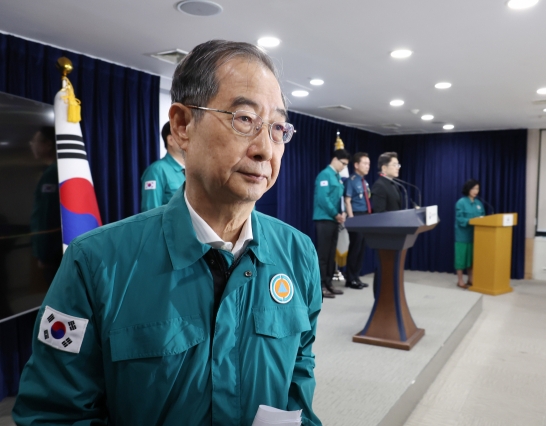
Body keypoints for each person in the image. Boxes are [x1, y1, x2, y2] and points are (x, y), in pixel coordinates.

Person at [13, 40, 322, 426]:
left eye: (277, 128)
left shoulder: (299, 254)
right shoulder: (95, 262)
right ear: (182, 126)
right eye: (244, 119)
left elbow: (298, 377)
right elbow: (53, 415)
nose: (265, 149)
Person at [313, 149, 350, 299]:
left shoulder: (337, 177)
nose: (344, 167)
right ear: (335, 159)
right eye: (343, 164)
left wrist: (342, 213)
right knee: (323, 254)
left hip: (335, 219)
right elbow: (323, 198)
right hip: (324, 219)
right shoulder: (325, 174)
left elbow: (339, 198)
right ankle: (320, 286)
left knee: (330, 255)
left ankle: (328, 283)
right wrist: (336, 214)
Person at [29, 126, 62, 285]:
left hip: (53, 254)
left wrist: (44, 254)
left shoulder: (52, 173)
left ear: (48, 144)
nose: (32, 145)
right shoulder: (56, 170)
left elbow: (47, 216)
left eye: (34, 141)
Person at [140, 121, 186, 212]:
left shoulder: (193, 171)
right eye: (184, 135)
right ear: (171, 140)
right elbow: (151, 213)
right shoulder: (156, 171)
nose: (189, 139)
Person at [344, 152, 371, 289]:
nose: (368, 166)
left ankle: (356, 276)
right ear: (356, 165)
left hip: (366, 216)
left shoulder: (364, 181)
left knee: (361, 248)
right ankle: (350, 278)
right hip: (356, 216)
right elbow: (347, 201)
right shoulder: (352, 180)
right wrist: (352, 219)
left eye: (369, 164)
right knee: (355, 248)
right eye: (365, 163)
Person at [454, 179, 485, 289]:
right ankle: (460, 280)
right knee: (461, 259)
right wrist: (472, 220)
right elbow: (460, 219)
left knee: (472, 259)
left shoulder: (479, 203)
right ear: (468, 189)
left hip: (476, 236)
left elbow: (483, 218)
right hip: (463, 235)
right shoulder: (461, 202)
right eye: (473, 188)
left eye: (477, 188)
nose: (476, 191)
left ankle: (471, 279)